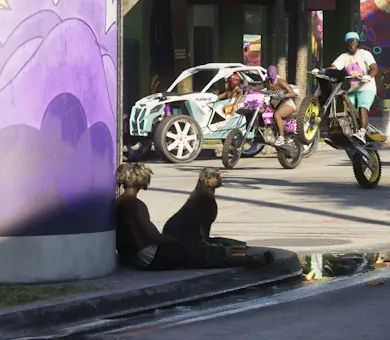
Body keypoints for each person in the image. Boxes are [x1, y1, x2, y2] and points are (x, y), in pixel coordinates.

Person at [115, 163, 270, 270]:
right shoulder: (136, 204)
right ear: (141, 181)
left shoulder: (119, 201)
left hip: (134, 256)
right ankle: (248, 260)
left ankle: (241, 256)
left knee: (192, 251)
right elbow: (152, 235)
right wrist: (173, 241)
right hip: (149, 256)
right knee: (199, 254)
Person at [162, 168, 243, 246]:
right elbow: (204, 224)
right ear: (204, 180)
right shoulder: (202, 199)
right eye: (212, 177)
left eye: (218, 176)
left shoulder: (199, 196)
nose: (217, 179)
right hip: (180, 238)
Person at [330, 31, 384, 142]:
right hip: (353, 90)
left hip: (366, 88)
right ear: (347, 43)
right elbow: (333, 68)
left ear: (358, 43)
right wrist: (321, 71)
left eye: (355, 41)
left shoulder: (365, 54)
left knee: (362, 108)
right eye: (350, 42)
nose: (352, 44)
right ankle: (347, 133)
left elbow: (374, 68)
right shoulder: (344, 57)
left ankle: (362, 133)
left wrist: (368, 76)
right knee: (345, 111)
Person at [253, 65, 296, 147]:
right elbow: (256, 88)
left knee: (277, 115)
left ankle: (281, 137)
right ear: (267, 73)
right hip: (275, 105)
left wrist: (284, 95)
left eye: (274, 72)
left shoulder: (281, 82)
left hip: (287, 104)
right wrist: (246, 86)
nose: (272, 74)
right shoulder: (267, 82)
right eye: (270, 72)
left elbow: (293, 93)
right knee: (262, 111)